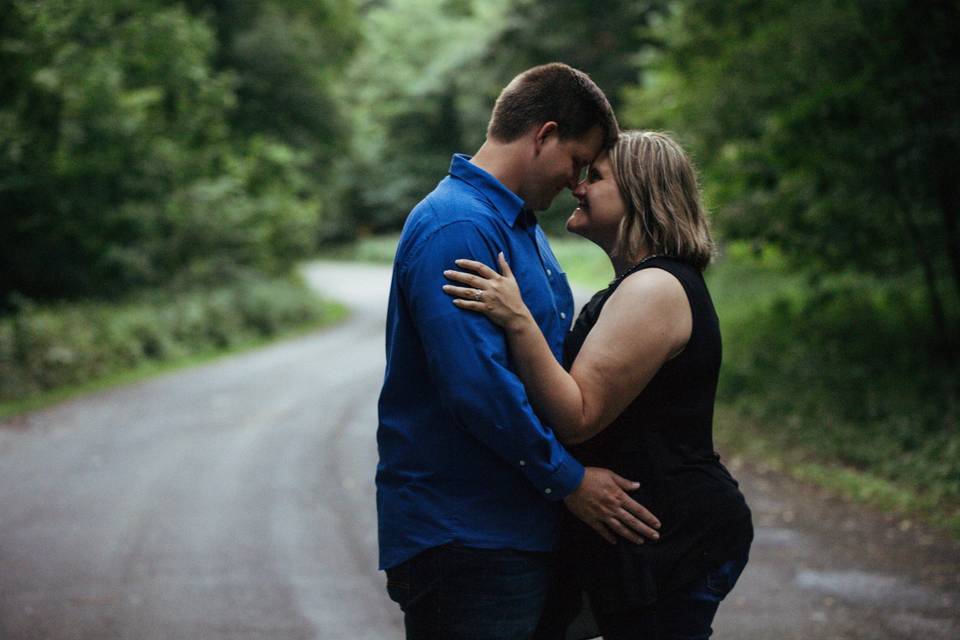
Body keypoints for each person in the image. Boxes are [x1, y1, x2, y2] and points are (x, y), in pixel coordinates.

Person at [376, 65, 662, 640]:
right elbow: (477, 387)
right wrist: (569, 480)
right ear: (543, 135)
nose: (577, 181)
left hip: (520, 529)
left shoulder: (519, 227)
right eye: (576, 161)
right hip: (468, 536)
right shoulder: (457, 226)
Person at [442, 130, 754, 640]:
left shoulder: (654, 287)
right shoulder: (644, 284)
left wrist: (517, 320)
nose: (577, 187)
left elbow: (579, 415)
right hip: (642, 535)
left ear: (640, 194)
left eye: (596, 177)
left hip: (670, 534)